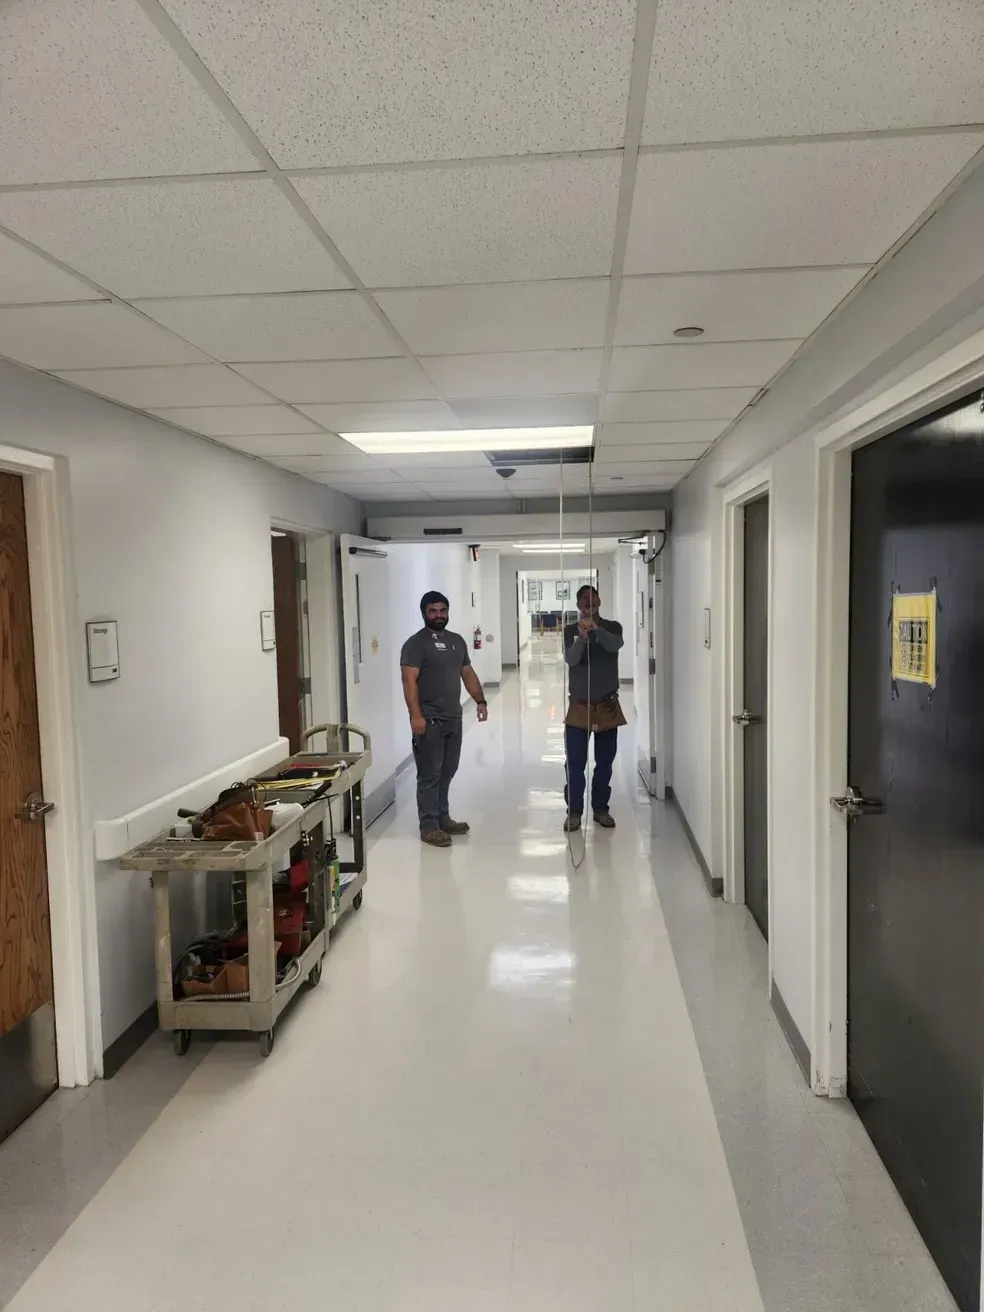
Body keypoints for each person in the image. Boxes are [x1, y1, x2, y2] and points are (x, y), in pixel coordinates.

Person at [400, 590, 488, 848]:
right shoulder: (416, 644)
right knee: (429, 774)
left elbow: (467, 672)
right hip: (429, 721)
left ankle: (443, 818)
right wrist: (415, 716)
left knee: (448, 770)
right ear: (424, 613)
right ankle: (429, 826)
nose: (439, 615)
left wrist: (480, 700)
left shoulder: (457, 641)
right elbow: (409, 681)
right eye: (433, 611)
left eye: (442, 610)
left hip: (453, 718)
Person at [563, 585, 625, 833]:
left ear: (599, 600)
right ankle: (574, 812)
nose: (590, 602)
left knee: (605, 762)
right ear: (578, 605)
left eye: (593, 598)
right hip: (579, 706)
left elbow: (614, 646)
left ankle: (601, 808)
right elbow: (571, 659)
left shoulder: (613, 627)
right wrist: (581, 637)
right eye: (584, 599)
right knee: (575, 763)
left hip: (608, 705)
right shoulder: (570, 630)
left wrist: (597, 630)